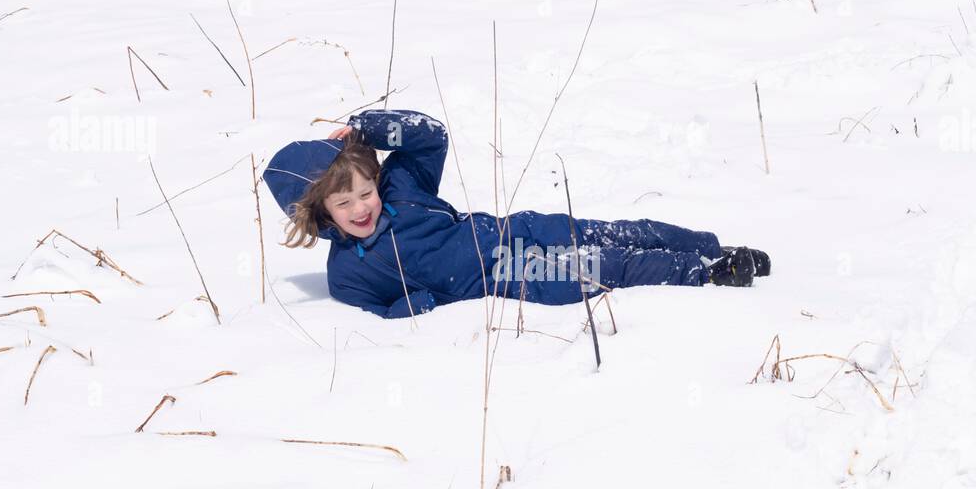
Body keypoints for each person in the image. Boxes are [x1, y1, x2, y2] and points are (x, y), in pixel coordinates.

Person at [263, 108, 770, 319]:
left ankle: (711, 246)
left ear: (376, 178)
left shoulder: (405, 186)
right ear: (323, 214)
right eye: (343, 203)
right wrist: (414, 304)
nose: (360, 208)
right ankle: (707, 275)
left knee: (617, 231)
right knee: (607, 266)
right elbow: (375, 316)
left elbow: (431, 134)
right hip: (506, 275)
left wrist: (366, 129)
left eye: (364, 192)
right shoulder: (348, 271)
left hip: (514, 228)